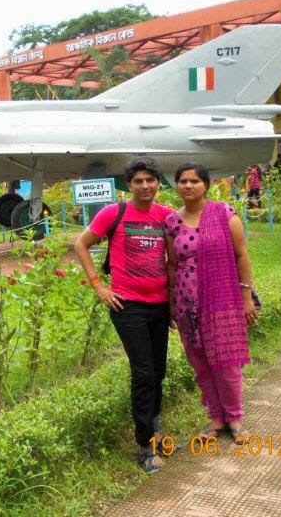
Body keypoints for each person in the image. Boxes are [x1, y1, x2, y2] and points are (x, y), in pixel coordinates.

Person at [74, 157, 173, 473]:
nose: (145, 186)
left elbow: (176, 256)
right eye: (138, 181)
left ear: (158, 183)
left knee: (158, 371)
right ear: (128, 185)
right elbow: (81, 244)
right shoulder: (113, 212)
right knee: (143, 373)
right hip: (127, 306)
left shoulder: (166, 216)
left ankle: (155, 432)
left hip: (160, 305)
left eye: (150, 180)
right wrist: (98, 286)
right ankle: (144, 446)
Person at [163, 162, 258, 444]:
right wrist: (171, 303)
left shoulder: (225, 213)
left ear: (206, 185)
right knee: (200, 362)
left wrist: (246, 296)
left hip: (222, 299)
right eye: (182, 181)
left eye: (194, 181)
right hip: (187, 302)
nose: (188, 185)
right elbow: (171, 264)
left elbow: (242, 256)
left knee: (227, 362)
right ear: (176, 185)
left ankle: (235, 418)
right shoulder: (171, 222)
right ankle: (216, 418)